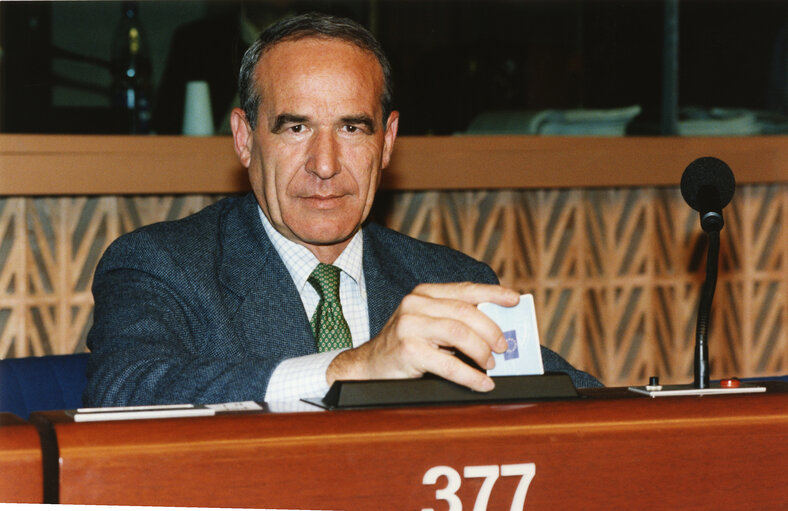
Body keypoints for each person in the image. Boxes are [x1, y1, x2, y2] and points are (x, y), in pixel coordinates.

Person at [83, 13, 600, 407]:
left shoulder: (450, 280)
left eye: (352, 128)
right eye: (296, 127)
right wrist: (354, 367)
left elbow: (582, 406)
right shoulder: (160, 264)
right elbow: (124, 394)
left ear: (389, 140)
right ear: (244, 138)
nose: (325, 165)